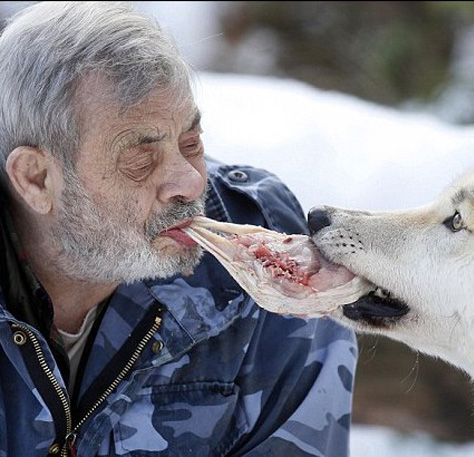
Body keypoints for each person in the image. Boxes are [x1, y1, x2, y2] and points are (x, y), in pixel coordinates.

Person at [0, 2, 357, 456]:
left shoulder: (262, 252)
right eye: (139, 158)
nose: (190, 182)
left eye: (192, 143)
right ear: (35, 178)